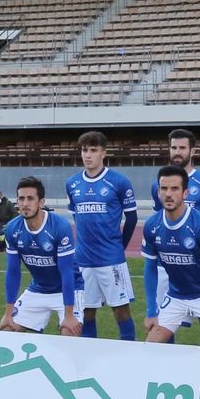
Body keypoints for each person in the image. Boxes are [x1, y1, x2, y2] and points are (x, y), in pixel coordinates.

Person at [141, 166, 200, 346]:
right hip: (176, 295)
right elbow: (150, 268)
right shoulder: (151, 225)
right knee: (150, 347)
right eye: (164, 189)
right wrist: (151, 310)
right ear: (158, 192)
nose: (168, 194)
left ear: (185, 193)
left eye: (174, 189)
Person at [150, 128, 200, 344]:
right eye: (174, 147)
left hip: (199, 266)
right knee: (164, 323)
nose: (177, 152)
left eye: (182, 148)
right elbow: (160, 219)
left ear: (193, 151)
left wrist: (198, 255)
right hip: (168, 264)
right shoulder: (160, 183)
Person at [63, 130, 138, 341]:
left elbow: (131, 219)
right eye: (84, 150)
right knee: (86, 312)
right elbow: (77, 218)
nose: (87, 155)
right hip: (83, 260)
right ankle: (89, 358)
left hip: (111, 259)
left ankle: (129, 353)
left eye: (93, 150)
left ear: (103, 153)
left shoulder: (119, 182)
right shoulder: (72, 184)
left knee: (121, 311)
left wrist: (118, 247)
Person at [0, 176, 80, 335]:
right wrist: (8, 314)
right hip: (39, 288)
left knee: (68, 332)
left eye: (30, 199)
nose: (25, 204)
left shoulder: (59, 226)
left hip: (70, 289)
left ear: (41, 202)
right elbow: (13, 272)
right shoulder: (12, 229)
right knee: (7, 329)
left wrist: (69, 315)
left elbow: (67, 272)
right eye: (21, 198)